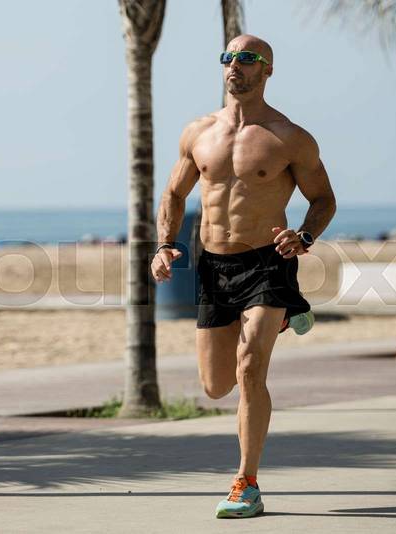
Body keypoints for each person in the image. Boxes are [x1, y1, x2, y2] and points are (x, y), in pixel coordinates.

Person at [151, 34, 336, 519]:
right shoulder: (199, 132)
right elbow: (173, 194)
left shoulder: (288, 137)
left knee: (250, 368)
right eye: (228, 57)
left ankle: (245, 483)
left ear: (267, 70)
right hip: (214, 266)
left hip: (267, 262)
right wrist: (166, 244)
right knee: (215, 386)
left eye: (248, 58)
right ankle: (279, 317)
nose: (236, 65)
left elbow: (324, 199)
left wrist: (305, 237)